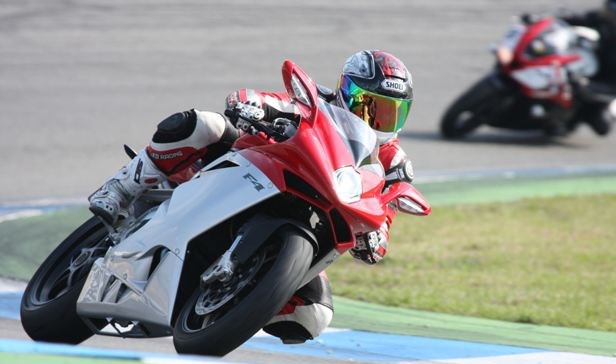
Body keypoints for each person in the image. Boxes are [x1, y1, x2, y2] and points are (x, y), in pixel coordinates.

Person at [88, 50, 415, 344]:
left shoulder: (393, 162)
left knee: (313, 314)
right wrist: (250, 106)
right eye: (367, 103)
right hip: (257, 165)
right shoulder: (315, 100)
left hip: (316, 214)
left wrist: (375, 237)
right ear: (347, 89)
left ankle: (234, 301)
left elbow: (386, 210)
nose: (374, 116)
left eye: (388, 111)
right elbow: (259, 99)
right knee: (205, 124)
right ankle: (119, 189)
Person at [560, 0, 616, 135]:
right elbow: (568, 21)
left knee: (601, 124)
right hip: (590, 68)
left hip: (615, 83)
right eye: (611, 11)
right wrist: (541, 21)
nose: (614, 18)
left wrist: (587, 86)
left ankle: (580, 114)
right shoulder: (599, 19)